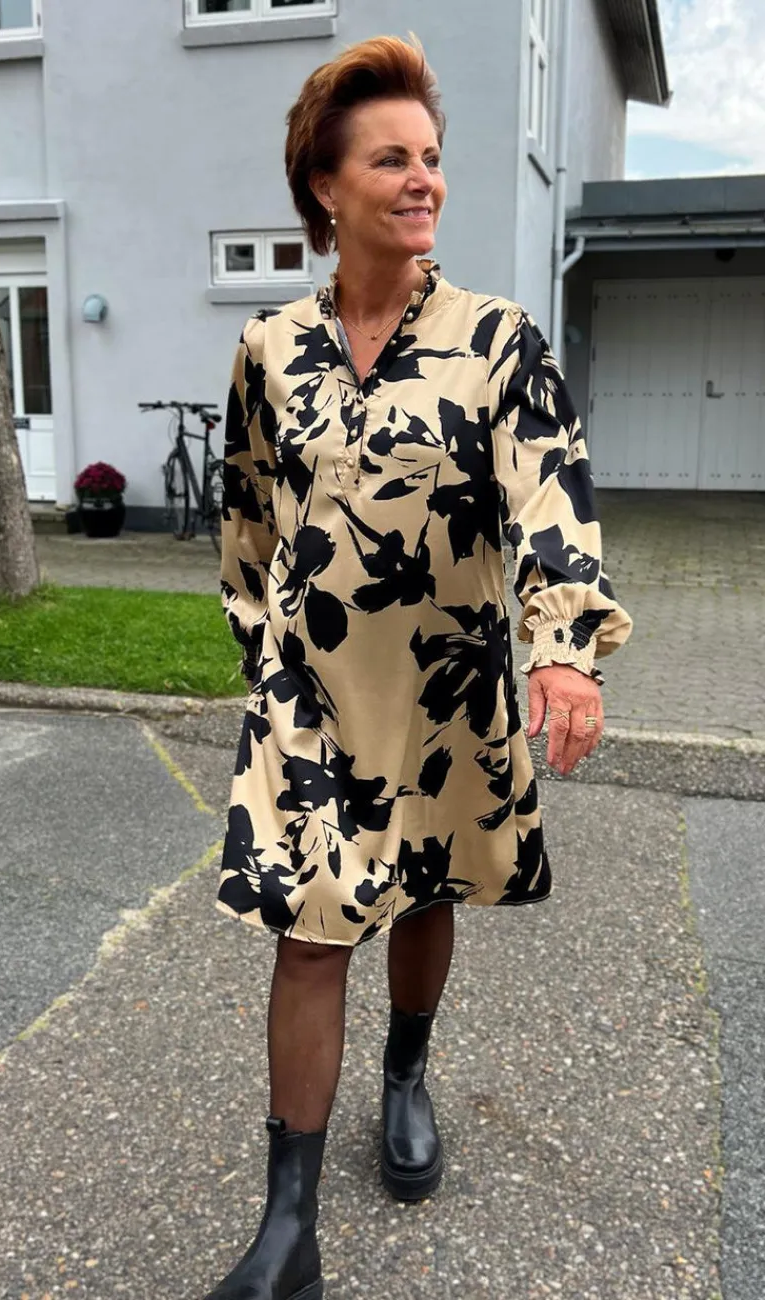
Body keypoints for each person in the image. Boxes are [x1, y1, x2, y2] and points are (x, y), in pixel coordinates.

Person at [204, 35, 632, 1300]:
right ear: (325, 187)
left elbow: (549, 495)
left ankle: (404, 1070)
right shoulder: (270, 347)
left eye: (430, 157)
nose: (421, 179)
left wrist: (562, 651)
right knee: (306, 929)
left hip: (444, 686)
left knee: (425, 887)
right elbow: (246, 516)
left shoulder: (496, 340)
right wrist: (263, 653)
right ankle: (287, 1226)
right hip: (311, 697)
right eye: (390, 158)